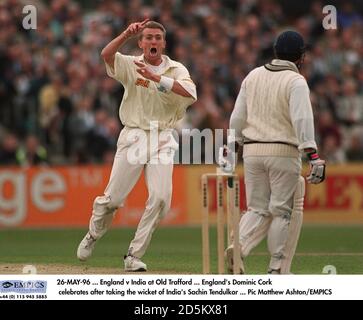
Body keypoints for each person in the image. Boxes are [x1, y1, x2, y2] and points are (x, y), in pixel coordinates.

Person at [77, 19, 197, 271]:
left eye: (157, 38)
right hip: (134, 135)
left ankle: (133, 255)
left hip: (163, 136)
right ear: (141, 43)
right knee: (113, 200)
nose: (153, 41)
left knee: (161, 199)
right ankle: (93, 234)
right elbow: (106, 54)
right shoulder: (131, 64)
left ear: (163, 43)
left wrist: (156, 78)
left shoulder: (176, 69)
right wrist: (124, 35)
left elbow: (190, 93)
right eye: (148, 37)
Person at [222, 30, 326, 274]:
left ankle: (239, 247)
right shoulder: (296, 81)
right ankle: (277, 267)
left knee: (257, 208)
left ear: (276, 51)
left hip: (252, 151)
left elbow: (237, 116)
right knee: (282, 210)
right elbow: (302, 118)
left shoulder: (253, 75)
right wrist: (312, 154)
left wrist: (231, 148)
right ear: (301, 57)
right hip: (283, 151)